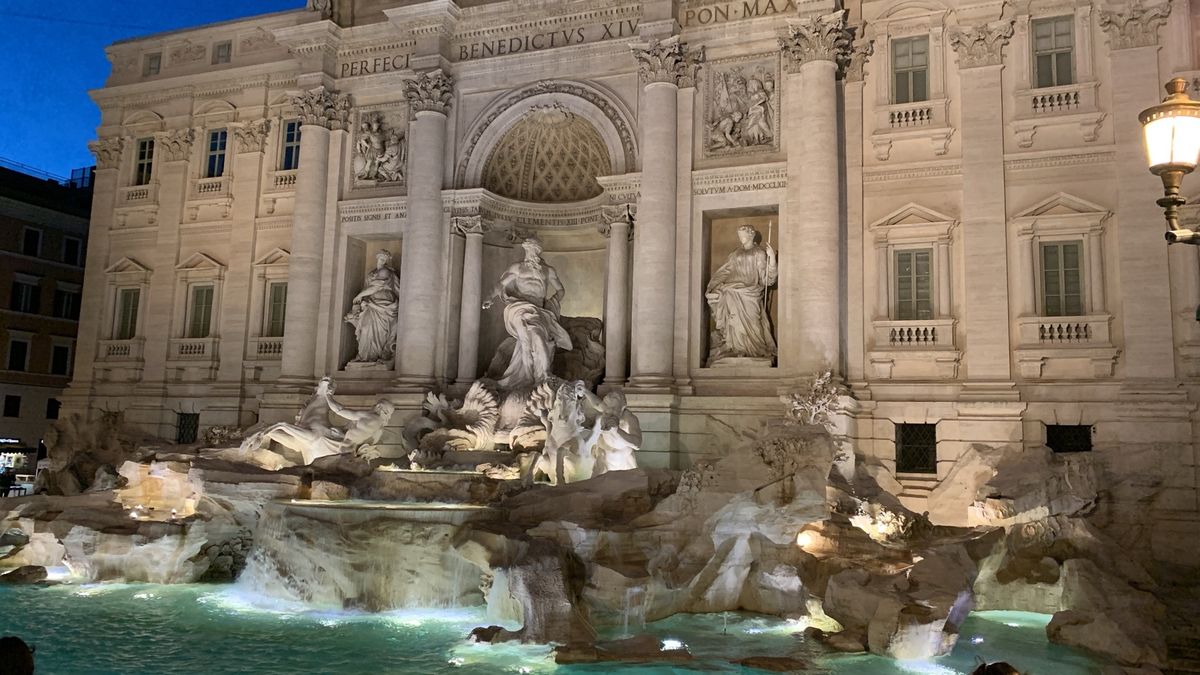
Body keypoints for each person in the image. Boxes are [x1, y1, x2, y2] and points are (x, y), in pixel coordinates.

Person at [482, 237, 572, 390]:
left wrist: (552, 303)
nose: (531, 253)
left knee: (537, 336)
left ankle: (544, 374)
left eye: (533, 249)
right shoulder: (517, 268)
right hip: (519, 308)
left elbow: (561, 290)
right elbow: (500, 285)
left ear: (538, 251)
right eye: (528, 249)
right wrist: (490, 297)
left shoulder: (548, 270)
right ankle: (529, 377)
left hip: (538, 311)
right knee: (524, 340)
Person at [705, 225, 778, 363]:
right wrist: (713, 286)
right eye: (739, 235)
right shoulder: (735, 253)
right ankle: (736, 348)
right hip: (732, 291)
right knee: (733, 321)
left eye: (743, 235)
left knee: (754, 322)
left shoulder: (759, 253)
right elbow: (725, 271)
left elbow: (766, 278)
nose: (741, 238)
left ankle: (756, 350)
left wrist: (772, 260)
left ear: (751, 236)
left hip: (751, 293)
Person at [344, 250, 402, 365]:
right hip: (371, 304)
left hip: (384, 305)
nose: (382, 260)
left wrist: (359, 295)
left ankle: (375, 357)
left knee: (381, 332)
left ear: (387, 261)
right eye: (381, 258)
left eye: (384, 259)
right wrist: (362, 301)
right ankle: (364, 356)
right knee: (365, 328)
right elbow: (367, 288)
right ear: (377, 258)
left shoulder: (386, 271)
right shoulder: (372, 273)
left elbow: (376, 287)